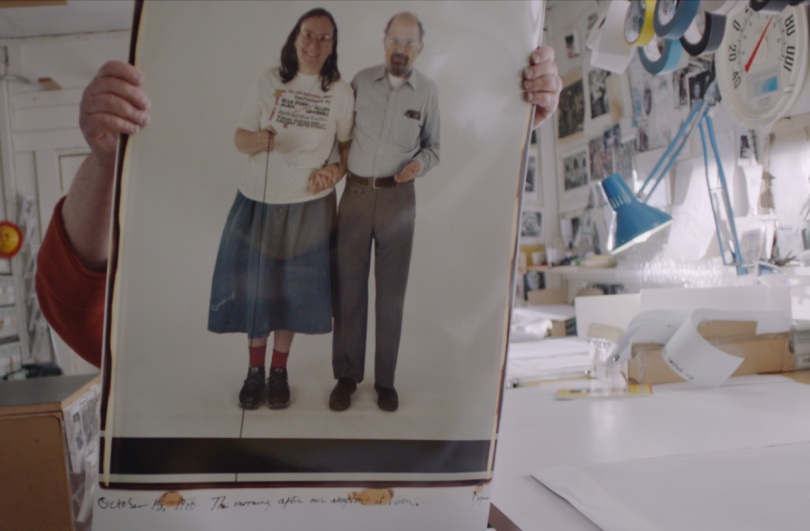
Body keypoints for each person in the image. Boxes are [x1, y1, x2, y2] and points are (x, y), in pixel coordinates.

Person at [35, 34, 561, 388]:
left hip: (401, 482)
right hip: (216, 490)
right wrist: (107, 158)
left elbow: (454, 286)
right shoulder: (239, 91)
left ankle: (286, 375)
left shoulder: (373, 126)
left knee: (303, 298)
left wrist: (503, 121)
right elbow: (83, 316)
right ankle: (263, 374)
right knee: (261, 296)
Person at [207, 7, 353, 410]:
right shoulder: (268, 80)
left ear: (333, 45)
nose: (314, 43)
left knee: (289, 292)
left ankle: (279, 372)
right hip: (259, 200)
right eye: (308, 34)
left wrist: (334, 173)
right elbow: (239, 138)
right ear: (295, 37)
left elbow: (346, 150)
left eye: (324, 37)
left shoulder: (340, 92)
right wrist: (259, 141)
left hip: (308, 206)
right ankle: (253, 372)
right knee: (257, 288)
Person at [329, 12, 438, 413]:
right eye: (395, 40)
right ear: (384, 41)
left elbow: (434, 147)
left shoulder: (427, 92)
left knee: (390, 297)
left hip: (398, 202)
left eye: (409, 43)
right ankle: (346, 376)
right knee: (349, 290)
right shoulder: (359, 82)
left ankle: (385, 382)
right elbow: (340, 132)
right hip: (355, 196)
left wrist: (419, 166)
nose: (401, 49)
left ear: (420, 49)